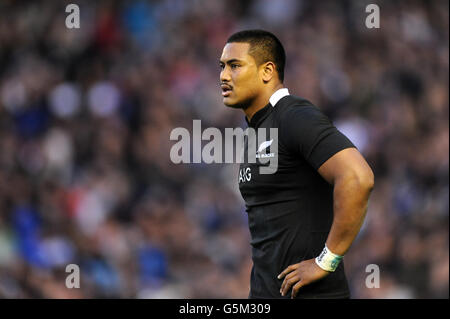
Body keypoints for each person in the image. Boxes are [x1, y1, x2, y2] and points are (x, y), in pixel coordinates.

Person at [219, 29, 374, 299]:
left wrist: (326, 261)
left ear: (267, 71)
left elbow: (357, 178)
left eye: (234, 66)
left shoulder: (294, 116)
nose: (223, 75)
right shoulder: (256, 130)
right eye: (222, 66)